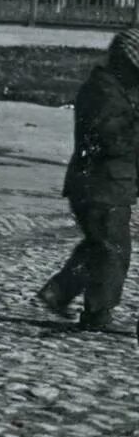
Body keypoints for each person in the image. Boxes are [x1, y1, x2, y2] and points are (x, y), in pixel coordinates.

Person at [34, 27, 139, 334]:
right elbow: (113, 140)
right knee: (112, 249)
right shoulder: (103, 92)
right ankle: (97, 313)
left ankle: (59, 292)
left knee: (99, 244)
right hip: (100, 184)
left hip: (107, 182)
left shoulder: (116, 88)